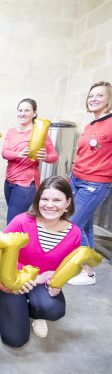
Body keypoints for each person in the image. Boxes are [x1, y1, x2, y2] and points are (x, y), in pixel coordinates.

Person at [0, 176, 81, 347]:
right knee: (16, 339)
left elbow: (68, 264)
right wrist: (24, 274)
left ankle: (35, 312)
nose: (49, 205)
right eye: (45, 199)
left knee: (54, 310)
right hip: (12, 277)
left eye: (57, 200)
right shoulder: (22, 222)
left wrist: (57, 280)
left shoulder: (74, 233)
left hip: (41, 282)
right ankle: (15, 307)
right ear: (38, 200)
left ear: (67, 203)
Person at [68, 81, 112, 286]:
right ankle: (85, 264)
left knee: (73, 226)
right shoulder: (90, 125)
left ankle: (88, 272)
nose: (94, 99)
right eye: (91, 95)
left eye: (100, 95)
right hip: (78, 178)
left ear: (109, 99)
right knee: (85, 226)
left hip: (96, 183)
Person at [2, 98, 58, 224]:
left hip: (25, 185)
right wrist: (19, 154)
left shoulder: (39, 133)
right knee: (19, 219)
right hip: (9, 181)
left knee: (12, 221)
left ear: (34, 113)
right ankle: (26, 241)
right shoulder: (11, 131)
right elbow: (4, 153)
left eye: (26, 110)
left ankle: (16, 243)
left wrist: (45, 157)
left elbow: (54, 156)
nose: (22, 113)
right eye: (20, 110)